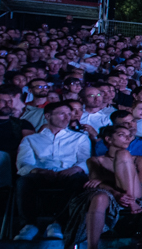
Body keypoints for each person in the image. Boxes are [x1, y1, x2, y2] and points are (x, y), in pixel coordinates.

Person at [60, 123, 142, 249]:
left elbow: (141, 180)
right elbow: (94, 182)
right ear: (108, 139)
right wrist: (115, 192)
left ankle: (130, 201)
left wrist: (105, 180)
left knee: (123, 154)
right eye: (121, 135)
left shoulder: (139, 159)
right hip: (110, 193)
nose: (127, 138)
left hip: (136, 193)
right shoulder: (95, 160)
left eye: (129, 136)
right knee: (99, 197)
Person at [14, 101, 92, 236]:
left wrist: (75, 169)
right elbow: (24, 163)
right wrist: (38, 170)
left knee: (79, 181)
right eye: (62, 114)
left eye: (69, 114)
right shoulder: (31, 139)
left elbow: (85, 160)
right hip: (41, 174)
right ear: (48, 116)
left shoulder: (79, 138)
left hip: (69, 173)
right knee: (24, 181)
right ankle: (28, 225)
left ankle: (58, 224)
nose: (67, 117)